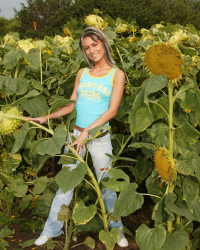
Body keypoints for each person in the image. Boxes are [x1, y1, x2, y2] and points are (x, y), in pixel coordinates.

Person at [27, 26, 128, 248]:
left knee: (108, 187)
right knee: (65, 187)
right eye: (87, 47)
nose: (92, 50)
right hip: (75, 136)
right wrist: (48, 117)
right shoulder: (82, 73)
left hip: (99, 138)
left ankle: (117, 230)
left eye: (95, 44)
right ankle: (50, 230)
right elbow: (72, 104)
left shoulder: (117, 74)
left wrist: (87, 132)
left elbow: (111, 111)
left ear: (103, 43)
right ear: (84, 52)